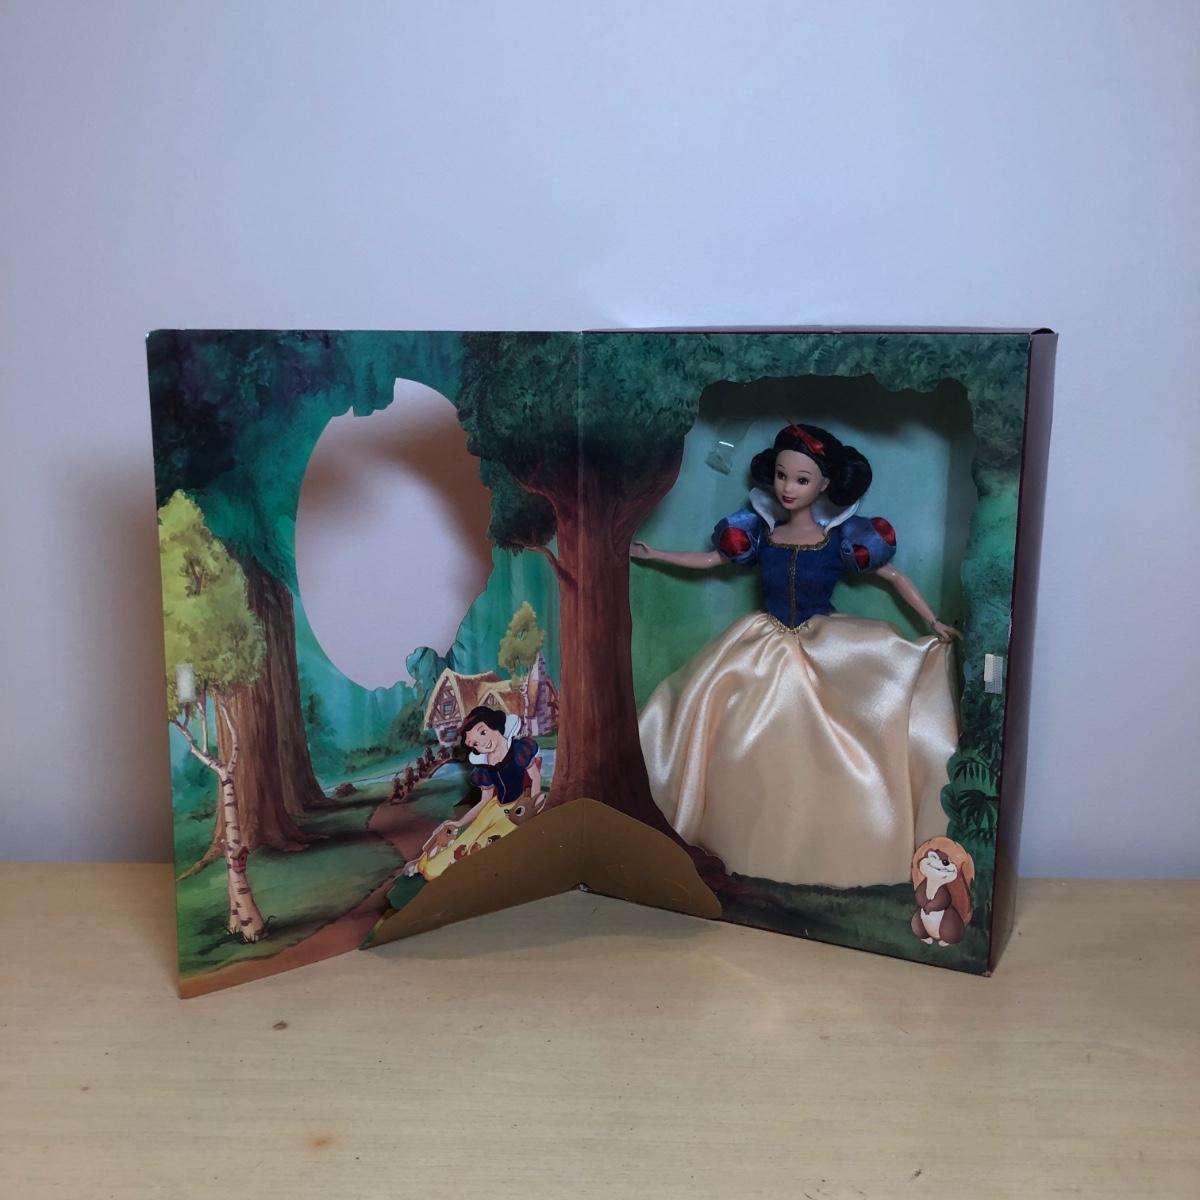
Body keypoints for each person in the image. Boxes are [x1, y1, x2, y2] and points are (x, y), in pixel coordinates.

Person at [631, 423, 961, 889]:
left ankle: (831, 834)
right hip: (760, 645)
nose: (788, 487)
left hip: (823, 644)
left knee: (838, 735)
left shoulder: (839, 540)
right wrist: (653, 553)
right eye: (783, 476)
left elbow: (892, 577)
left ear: (824, 485)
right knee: (728, 722)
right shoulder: (760, 535)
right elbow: (710, 560)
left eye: (802, 479)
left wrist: (932, 621)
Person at [402, 706, 546, 880]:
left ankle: (458, 876)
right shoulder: (484, 766)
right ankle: (424, 865)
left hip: (517, 808)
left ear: (495, 725)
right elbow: (484, 800)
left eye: (483, 732)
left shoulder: (519, 750)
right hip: (494, 807)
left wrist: (533, 808)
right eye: (476, 743)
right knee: (467, 837)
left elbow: (535, 778)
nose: (483, 743)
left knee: (483, 844)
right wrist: (459, 822)